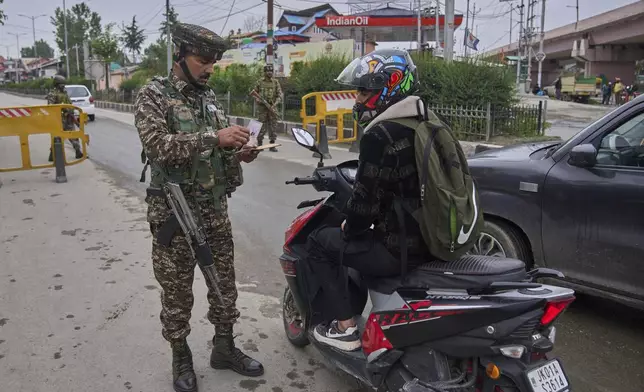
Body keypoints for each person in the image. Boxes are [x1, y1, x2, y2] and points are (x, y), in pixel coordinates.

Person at [134, 23, 263, 392]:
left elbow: (217, 152)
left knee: (225, 285)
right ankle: (181, 357)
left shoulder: (209, 100)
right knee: (176, 292)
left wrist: (239, 153)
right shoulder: (153, 95)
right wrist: (213, 137)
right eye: (202, 60)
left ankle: (224, 348)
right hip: (174, 212)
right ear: (180, 56)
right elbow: (158, 146)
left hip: (213, 208)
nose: (209, 68)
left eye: (213, 62)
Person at [305, 49, 430, 351]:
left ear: (391, 85)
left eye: (365, 90)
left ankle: (345, 327)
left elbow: (363, 207)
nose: (358, 99)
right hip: (434, 240)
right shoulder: (426, 124)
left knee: (320, 242)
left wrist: (349, 226)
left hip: (400, 250)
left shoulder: (381, 135)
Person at [47, 74, 83, 161]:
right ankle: (52, 154)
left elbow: (70, 103)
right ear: (57, 84)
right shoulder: (52, 93)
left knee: (73, 135)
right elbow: (50, 106)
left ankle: (78, 151)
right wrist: (62, 109)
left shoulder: (65, 93)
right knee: (57, 137)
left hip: (68, 118)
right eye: (61, 84)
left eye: (64, 84)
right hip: (59, 119)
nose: (63, 86)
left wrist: (71, 112)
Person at [250, 64, 282, 151]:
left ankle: (272, 145)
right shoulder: (260, 82)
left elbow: (280, 95)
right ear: (264, 72)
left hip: (272, 107)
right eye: (268, 71)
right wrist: (258, 100)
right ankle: (260, 144)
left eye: (271, 71)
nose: (269, 73)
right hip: (262, 108)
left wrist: (275, 104)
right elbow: (254, 94)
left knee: (273, 126)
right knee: (261, 126)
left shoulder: (275, 82)